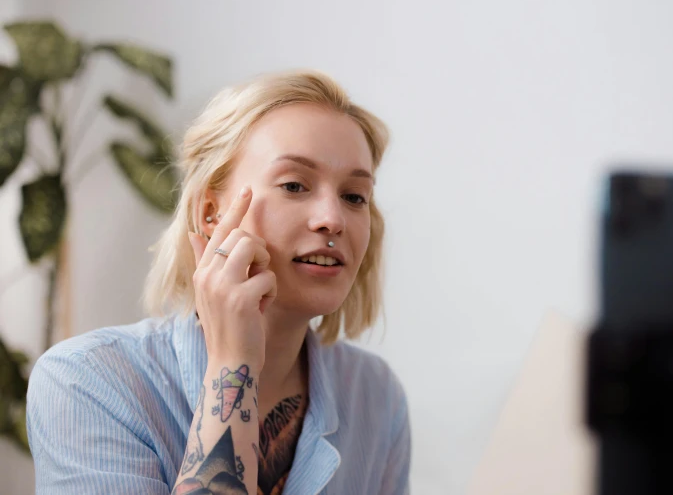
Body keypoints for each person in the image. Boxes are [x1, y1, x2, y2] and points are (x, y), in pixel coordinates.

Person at [26, 70, 411, 495]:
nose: (333, 219)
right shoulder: (87, 383)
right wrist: (233, 363)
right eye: (295, 185)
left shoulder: (377, 398)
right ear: (211, 214)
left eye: (354, 196)